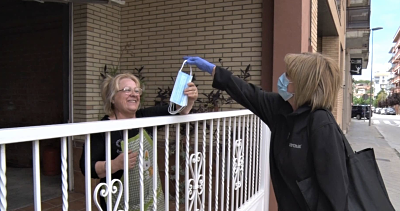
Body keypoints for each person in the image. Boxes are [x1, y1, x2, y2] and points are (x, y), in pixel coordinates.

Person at [184, 54, 347, 211]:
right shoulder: (281, 109)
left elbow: (336, 192)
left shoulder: (321, 123)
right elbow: (247, 93)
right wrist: (212, 69)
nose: (283, 77)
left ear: (303, 84)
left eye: (289, 75)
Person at [79, 72, 198, 210]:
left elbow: (178, 110)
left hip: (152, 200)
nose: (134, 94)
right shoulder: (102, 129)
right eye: (127, 90)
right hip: (119, 203)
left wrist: (189, 99)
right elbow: (86, 167)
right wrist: (114, 164)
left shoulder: (145, 118)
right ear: (112, 98)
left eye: (137, 90)